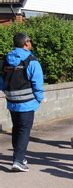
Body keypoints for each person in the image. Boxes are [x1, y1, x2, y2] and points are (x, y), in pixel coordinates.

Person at [0, 33, 44, 172]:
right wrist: (39, 98)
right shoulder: (32, 60)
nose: (31, 43)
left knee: (16, 128)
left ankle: (19, 157)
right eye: (30, 41)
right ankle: (18, 161)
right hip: (27, 102)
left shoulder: (6, 60)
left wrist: (6, 92)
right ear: (26, 43)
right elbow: (37, 82)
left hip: (12, 101)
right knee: (24, 131)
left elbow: (1, 80)